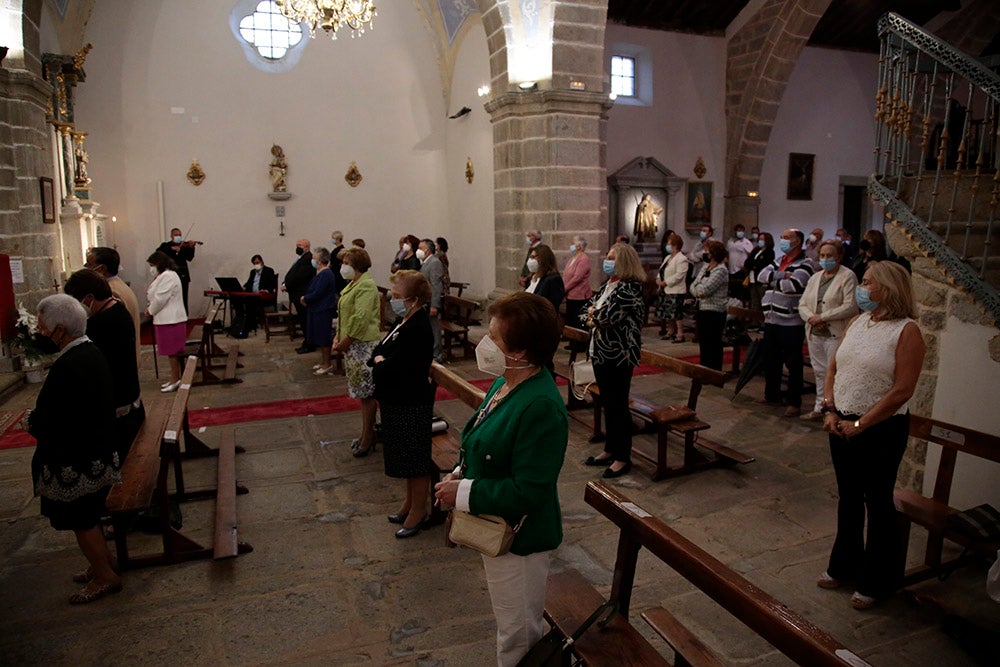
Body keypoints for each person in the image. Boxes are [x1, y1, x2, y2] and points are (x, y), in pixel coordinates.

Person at [433, 292, 566, 667]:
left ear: (520, 351)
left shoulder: (540, 404)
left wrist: (464, 492)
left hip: (522, 540)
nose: (485, 343)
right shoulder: (507, 381)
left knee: (518, 634)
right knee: (511, 622)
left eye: (494, 337)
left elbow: (530, 490)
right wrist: (462, 471)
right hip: (498, 526)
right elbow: (484, 437)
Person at [819, 261, 925, 610]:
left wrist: (862, 424)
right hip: (841, 423)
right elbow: (835, 366)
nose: (861, 288)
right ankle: (844, 566)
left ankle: (876, 581)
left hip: (881, 429)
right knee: (848, 498)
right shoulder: (858, 321)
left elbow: (902, 389)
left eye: (867, 283)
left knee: (878, 503)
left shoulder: (907, 331)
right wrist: (830, 408)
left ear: (889, 288)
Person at [27, 294, 122, 604]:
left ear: (60, 330)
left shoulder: (71, 363)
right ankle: (103, 562)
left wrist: (33, 422)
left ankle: (105, 577)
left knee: (81, 520)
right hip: (95, 450)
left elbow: (57, 417)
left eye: (42, 328)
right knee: (91, 513)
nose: (40, 333)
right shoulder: (89, 351)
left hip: (77, 458)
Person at [370, 270, 436, 538]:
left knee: (415, 459)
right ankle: (409, 503)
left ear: (415, 299)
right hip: (397, 399)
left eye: (397, 296)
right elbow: (378, 351)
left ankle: (419, 511)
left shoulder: (418, 327)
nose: (392, 300)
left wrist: (381, 364)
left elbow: (397, 367)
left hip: (411, 402)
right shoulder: (403, 319)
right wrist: (380, 361)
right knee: (404, 458)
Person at [64, 269, 144, 463]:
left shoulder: (102, 323)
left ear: (89, 297)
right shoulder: (116, 308)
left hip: (119, 409)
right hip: (127, 400)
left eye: (76, 301)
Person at [580, 243, 646, 478]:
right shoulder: (608, 286)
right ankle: (610, 448)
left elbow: (606, 317)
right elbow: (585, 311)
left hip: (618, 356)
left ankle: (622, 457)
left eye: (611, 257)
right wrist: (593, 316)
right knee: (608, 404)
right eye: (607, 256)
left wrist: (594, 316)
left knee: (618, 406)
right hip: (600, 352)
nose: (607, 261)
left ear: (624, 262)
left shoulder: (630, 289)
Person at [798, 240, 858, 421]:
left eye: (829, 256)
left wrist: (823, 317)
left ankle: (834, 408)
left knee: (834, 372)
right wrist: (812, 318)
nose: (825, 259)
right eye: (822, 255)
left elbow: (850, 306)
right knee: (819, 371)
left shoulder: (847, 276)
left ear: (838, 256)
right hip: (815, 331)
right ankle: (819, 406)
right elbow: (802, 303)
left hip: (835, 332)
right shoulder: (815, 277)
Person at [757, 229, 813, 417]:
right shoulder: (779, 260)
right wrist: (782, 276)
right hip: (771, 319)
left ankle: (794, 402)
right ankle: (771, 395)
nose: (783, 240)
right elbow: (761, 276)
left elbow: (793, 286)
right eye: (781, 237)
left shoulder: (806, 264)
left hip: (791, 322)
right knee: (771, 360)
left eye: (787, 238)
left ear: (797, 241)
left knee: (793, 363)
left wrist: (774, 279)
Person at [334, 247, 382, 456]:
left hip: (362, 345)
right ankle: (365, 434)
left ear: (356, 264)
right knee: (362, 395)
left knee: (368, 394)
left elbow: (360, 318)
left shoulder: (367, 285)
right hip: (352, 343)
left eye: (346, 263)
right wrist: (338, 336)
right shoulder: (353, 284)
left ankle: (368, 437)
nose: (342, 267)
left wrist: (346, 340)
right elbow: (344, 314)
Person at [85, 246, 140, 368]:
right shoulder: (118, 284)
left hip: (118, 359)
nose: (86, 268)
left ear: (102, 268)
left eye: (89, 264)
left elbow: (108, 329)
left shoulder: (110, 292)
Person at [145, 251, 188, 393]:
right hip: (164, 319)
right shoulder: (163, 276)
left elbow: (160, 298)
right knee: (170, 352)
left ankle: (176, 379)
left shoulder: (168, 276)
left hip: (171, 319)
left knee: (173, 352)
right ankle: (173, 378)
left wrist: (150, 310)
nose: (151, 268)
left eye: (152, 265)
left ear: (159, 264)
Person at [689, 240, 729, 370]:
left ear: (714, 253)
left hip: (715, 311)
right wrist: (697, 291)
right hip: (702, 308)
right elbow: (693, 285)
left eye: (707, 251)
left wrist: (698, 290)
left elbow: (705, 290)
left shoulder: (721, 270)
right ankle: (705, 368)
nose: (705, 253)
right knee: (704, 342)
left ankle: (714, 371)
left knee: (713, 342)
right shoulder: (706, 266)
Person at [301, 248, 339, 375]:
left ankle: (328, 364)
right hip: (317, 308)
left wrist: (305, 298)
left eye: (314, 258)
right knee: (319, 336)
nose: (312, 260)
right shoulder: (320, 272)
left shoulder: (326, 273)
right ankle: (324, 361)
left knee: (323, 337)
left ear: (320, 260)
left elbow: (318, 292)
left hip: (323, 309)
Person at [654, 232, 689, 343]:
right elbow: (662, 270)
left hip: (675, 290)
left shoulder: (682, 259)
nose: (667, 246)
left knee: (676, 313)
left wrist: (666, 282)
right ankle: (670, 331)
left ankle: (680, 334)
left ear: (675, 245)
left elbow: (679, 275)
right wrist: (658, 279)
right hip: (665, 289)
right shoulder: (668, 257)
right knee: (668, 313)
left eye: (669, 244)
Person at [282, 238, 316, 353]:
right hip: (297, 294)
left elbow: (300, 277)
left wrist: (287, 285)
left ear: (307, 247)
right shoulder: (301, 258)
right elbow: (292, 274)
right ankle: (307, 341)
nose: (297, 247)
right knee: (302, 320)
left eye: (300, 245)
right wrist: (284, 282)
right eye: (297, 245)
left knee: (305, 320)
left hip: (302, 294)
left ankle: (309, 343)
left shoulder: (308, 259)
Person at [418, 239, 446, 362]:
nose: (418, 250)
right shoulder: (425, 262)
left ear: (427, 250)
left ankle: (437, 353)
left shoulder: (434, 263)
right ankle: (431, 351)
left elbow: (436, 285)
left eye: (420, 248)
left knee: (434, 327)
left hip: (431, 302)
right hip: (425, 301)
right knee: (429, 327)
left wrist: (435, 305)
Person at [156, 227, 196, 311]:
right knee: (170, 297)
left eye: (180, 235)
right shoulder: (166, 245)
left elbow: (189, 258)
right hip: (170, 275)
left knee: (183, 297)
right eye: (176, 235)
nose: (178, 236)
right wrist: (172, 249)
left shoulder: (184, 246)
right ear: (171, 236)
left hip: (183, 275)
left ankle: (184, 316)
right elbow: (158, 252)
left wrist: (191, 247)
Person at [561, 235, 592, 331]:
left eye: (572, 244)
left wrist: (565, 288)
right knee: (571, 319)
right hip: (571, 295)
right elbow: (566, 274)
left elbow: (577, 278)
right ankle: (572, 343)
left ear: (579, 246)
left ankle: (578, 344)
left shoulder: (583, 259)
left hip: (580, 295)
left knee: (577, 320)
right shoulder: (572, 259)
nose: (571, 246)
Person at [524, 244, 565, 314]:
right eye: (530, 257)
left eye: (533, 257)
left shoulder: (553, 279)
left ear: (543, 260)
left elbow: (552, 306)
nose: (530, 260)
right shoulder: (531, 278)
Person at [747, 232, 775, 312]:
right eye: (759, 239)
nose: (760, 241)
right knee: (754, 302)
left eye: (762, 239)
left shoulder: (770, 252)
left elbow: (762, 264)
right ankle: (755, 322)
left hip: (761, 281)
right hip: (752, 279)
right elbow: (748, 262)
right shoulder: (756, 250)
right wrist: (753, 265)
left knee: (762, 301)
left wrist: (754, 265)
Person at [726, 223, 754, 302]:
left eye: (742, 231)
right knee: (732, 289)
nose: (740, 232)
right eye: (738, 230)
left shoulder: (746, 242)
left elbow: (751, 255)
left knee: (740, 290)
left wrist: (746, 266)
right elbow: (727, 253)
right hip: (731, 269)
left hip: (741, 270)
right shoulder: (730, 242)